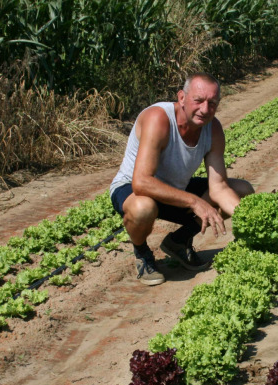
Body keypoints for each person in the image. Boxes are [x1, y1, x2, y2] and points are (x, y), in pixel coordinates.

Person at [109, 73, 254, 286]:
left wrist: (249, 219)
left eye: (212, 103)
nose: (205, 109)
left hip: (176, 188)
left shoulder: (212, 129)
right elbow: (141, 182)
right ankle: (142, 253)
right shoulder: (158, 118)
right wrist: (196, 202)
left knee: (241, 189)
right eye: (199, 100)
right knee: (143, 208)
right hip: (133, 189)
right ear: (182, 97)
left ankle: (178, 241)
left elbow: (219, 186)